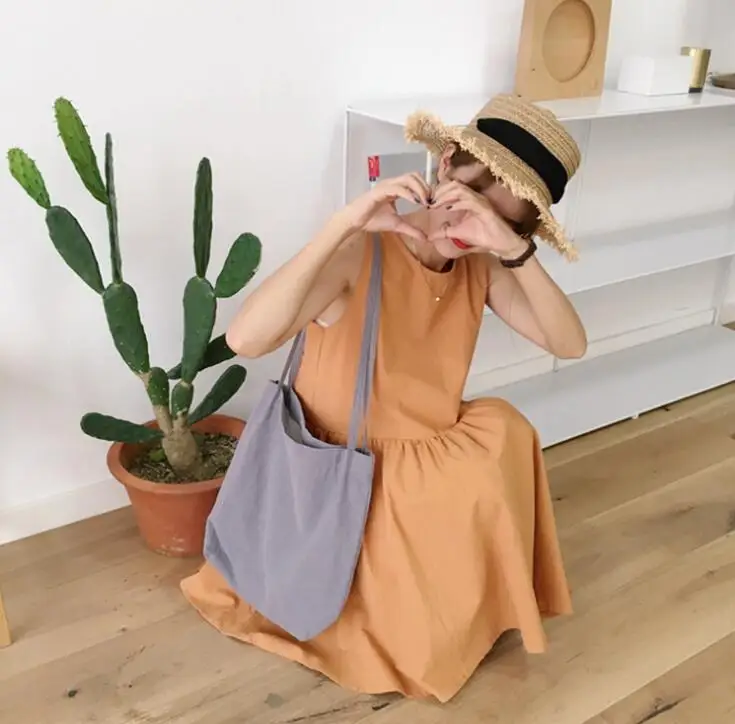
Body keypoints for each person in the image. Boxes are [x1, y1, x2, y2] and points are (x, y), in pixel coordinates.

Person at [181, 93, 587, 702]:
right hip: (349, 458)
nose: (465, 232)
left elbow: (569, 344)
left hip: (427, 441)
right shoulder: (362, 253)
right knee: (442, 536)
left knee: (505, 434)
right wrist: (342, 226)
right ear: (445, 166)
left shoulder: (482, 264)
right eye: (468, 205)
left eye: (498, 224)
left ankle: (463, 602)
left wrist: (511, 249)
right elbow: (245, 338)